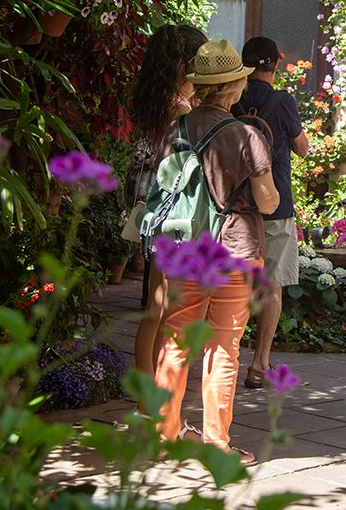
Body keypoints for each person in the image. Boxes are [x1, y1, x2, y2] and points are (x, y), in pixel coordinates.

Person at [154, 40, 280, 462]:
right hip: (234, 249)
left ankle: (164, 433)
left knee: (175, 340)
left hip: (186, 247)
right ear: (235, 86)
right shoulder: (245, 134)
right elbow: (267, 202)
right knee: (223, 346)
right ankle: (217, 445)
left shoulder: (176, 130)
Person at [129, 25, 207, 385]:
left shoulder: (159, 99)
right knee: (167, 309)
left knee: (156, 305)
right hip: (174, 211)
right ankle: (155, 389)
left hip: (157, 210)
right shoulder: (180, 108)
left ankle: (147, 384)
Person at [236, 36, 310, 389]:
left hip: (235, 206)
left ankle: (225, 353)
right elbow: (303, 149)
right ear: (276, 65)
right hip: (275, 203)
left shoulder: (231, 98)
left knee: (234, 285)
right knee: (273, 285)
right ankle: (259, 363)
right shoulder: (283, 101)